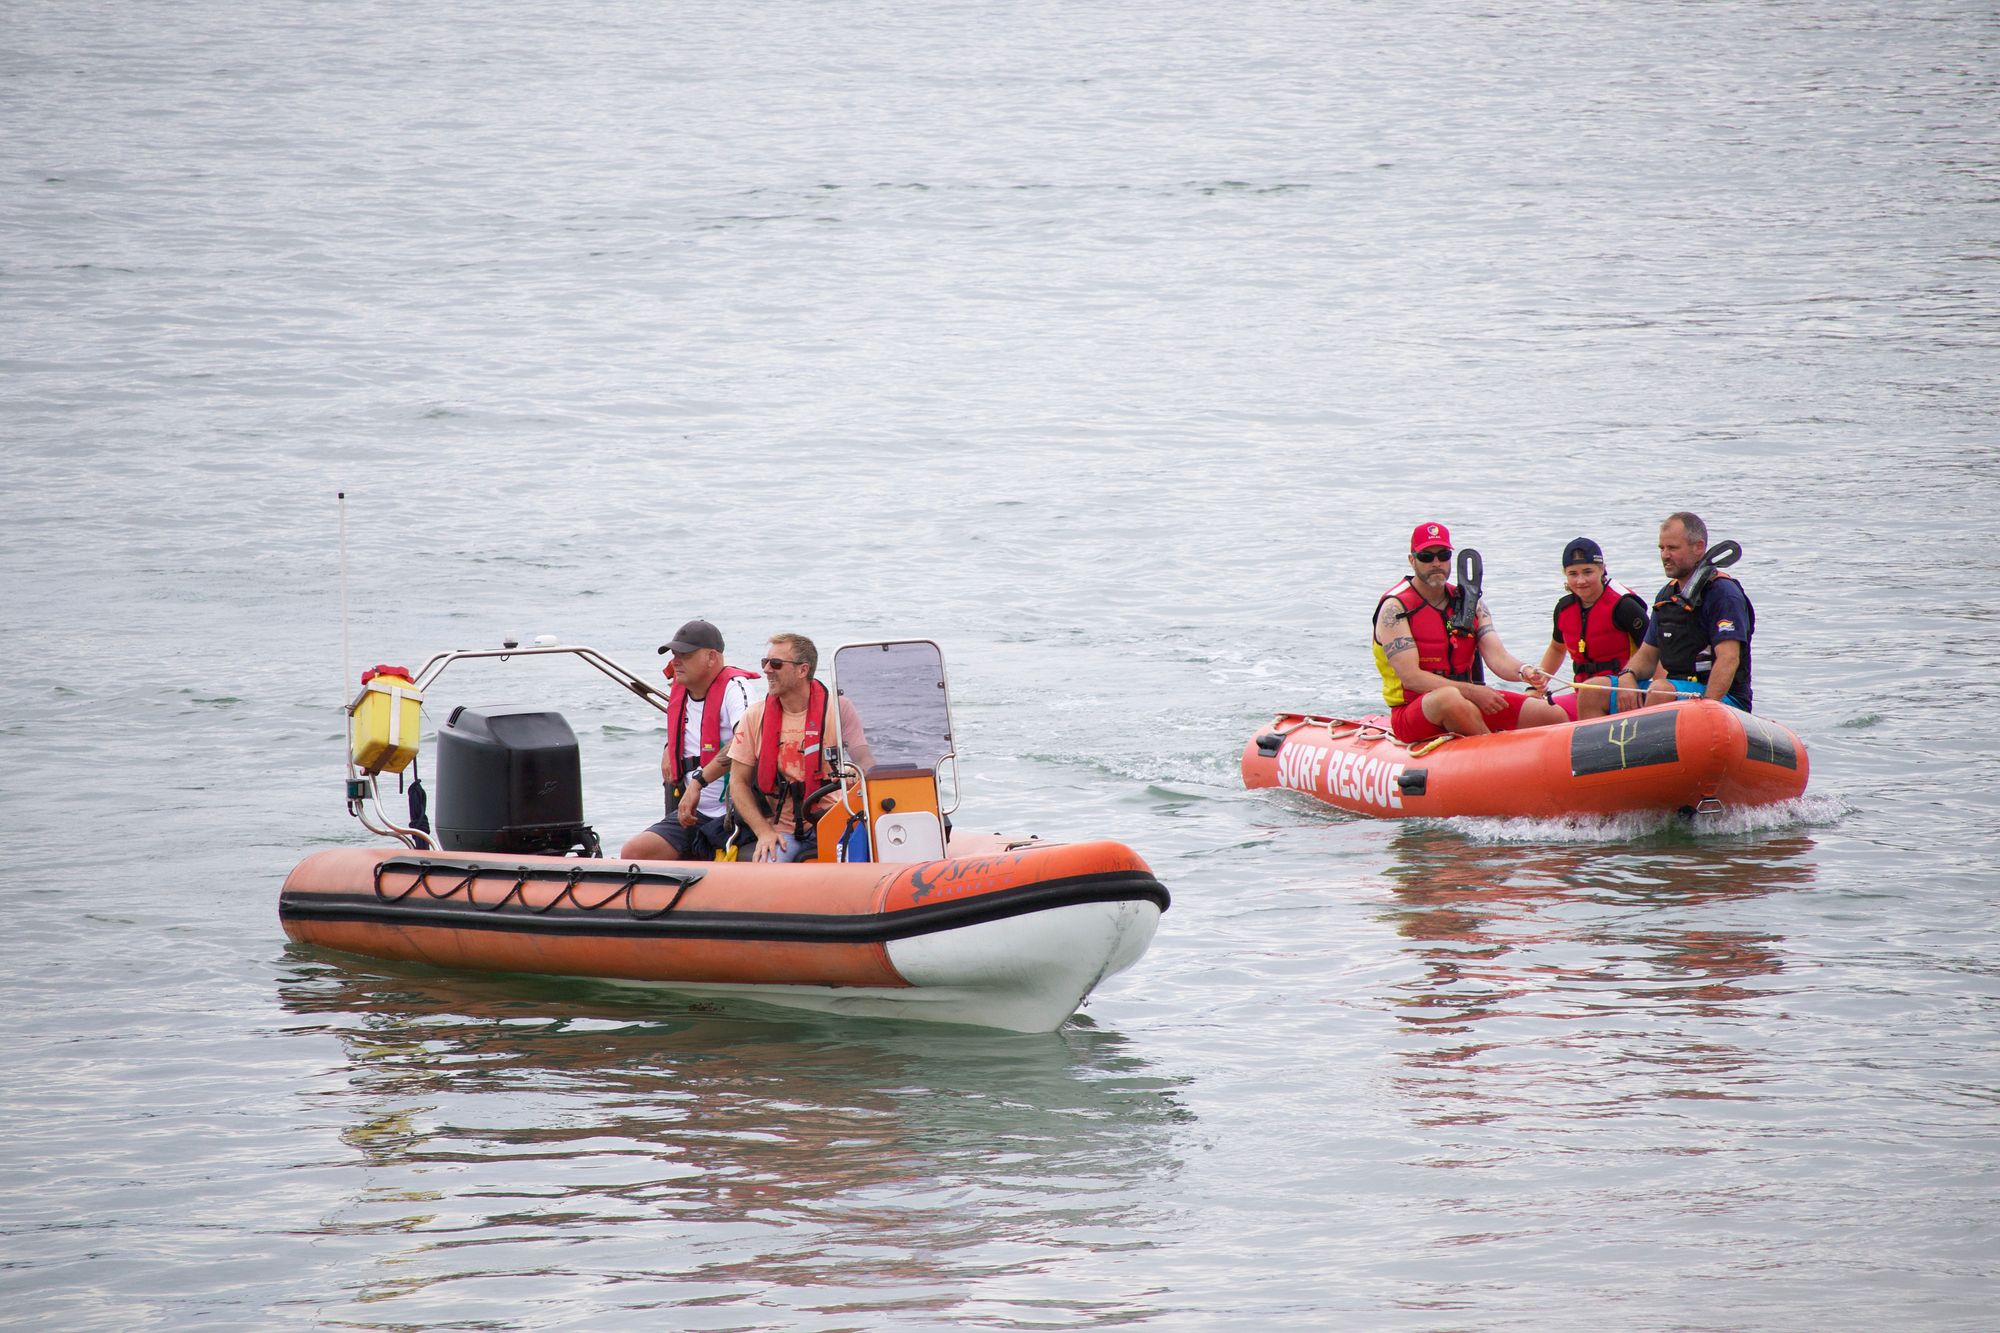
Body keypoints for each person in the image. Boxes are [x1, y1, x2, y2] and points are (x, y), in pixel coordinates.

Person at [1373, 522, 1567, 742]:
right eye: (1427, 557)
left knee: (1553, 715)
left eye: (1443, 555)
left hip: (1466, 700)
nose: (1436, 563)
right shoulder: (1394, 608)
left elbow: (1498, 657)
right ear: (1412, 560)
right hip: (1414, 713)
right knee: (1450, 698)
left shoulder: (1470, 602)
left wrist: (1524, 671)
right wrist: (1473, 692)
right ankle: (1495, 758)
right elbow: (1411, 678)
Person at [618, 619, 760, 861]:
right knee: (634, 852)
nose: (676, 661)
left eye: (685, 654)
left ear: (712, 657)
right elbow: (682, 734)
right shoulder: (682, 691)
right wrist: (668, 749)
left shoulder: (736, 688)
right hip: (693, 814)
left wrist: (697, 783)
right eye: (674, 654)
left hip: (733, 814)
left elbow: (745, 740)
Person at [727, 634, 873, 862]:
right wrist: (763, 832)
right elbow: (738, 782)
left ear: (802, 670)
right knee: (766, 868)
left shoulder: (839, 709)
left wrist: (858, 772)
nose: (766, 670)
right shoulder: (755, 715)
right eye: (764, 663)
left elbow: (866, 762)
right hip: (782, 832)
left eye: (775, 664)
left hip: (834, 820)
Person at [1616, 511, 1754, 711]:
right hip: (1677, 689)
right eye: (1661, 548)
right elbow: (1647, 655)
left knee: (1661, 689)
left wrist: (1707, 708)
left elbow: (1729, 658)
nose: (1665, 555)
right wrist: (1628, 675)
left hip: (1724, 701)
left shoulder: (1723, 594)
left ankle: (1654, 739)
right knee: (1595, 690)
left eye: (1672, 548)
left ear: (1698, 547)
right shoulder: (1666, 596)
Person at [1537, 537, 1650, 721]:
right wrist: (1536, 687)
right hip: (1582, 693)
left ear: (1602, 569)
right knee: (1535, 710)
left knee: (1590, 696)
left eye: (1588, 572)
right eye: (1573, 574)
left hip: (1625, 691)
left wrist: (1658, 698)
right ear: (1565, 574)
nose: (1581, 580)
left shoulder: (1625, 606)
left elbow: (1654, 650)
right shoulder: (1564, 609)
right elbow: (1557, 649)